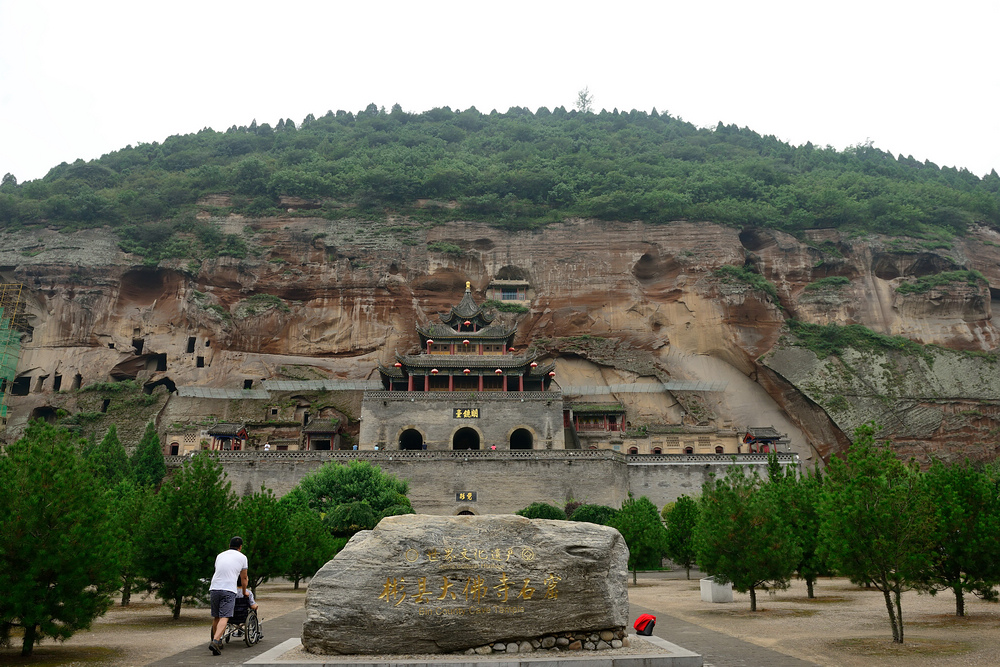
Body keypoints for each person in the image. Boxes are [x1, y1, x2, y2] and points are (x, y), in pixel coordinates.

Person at [208, 536, 248, 655]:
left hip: (214, 587)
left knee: (216, 616)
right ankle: (215, 641)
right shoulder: (242, 557)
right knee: (225, 616)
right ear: (240, 547)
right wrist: (244, 591)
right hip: (228, 589)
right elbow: (244, 578)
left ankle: (218, 640)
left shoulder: (220, 555)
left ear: (229, 545)